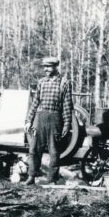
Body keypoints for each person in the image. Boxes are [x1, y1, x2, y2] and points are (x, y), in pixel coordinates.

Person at [24, 56, 73, 185]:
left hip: (55, 118)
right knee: (34, 148)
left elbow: (67, 106)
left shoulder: (64, 83)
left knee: (54, 151)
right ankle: (31, 176)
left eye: (49, 67)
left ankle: (52, 179)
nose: (46, 69)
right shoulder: (42, 82)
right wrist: (29, 120)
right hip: (39, 117)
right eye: (44, 67)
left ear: (56, 67)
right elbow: (35, 102)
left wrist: (67, 124)